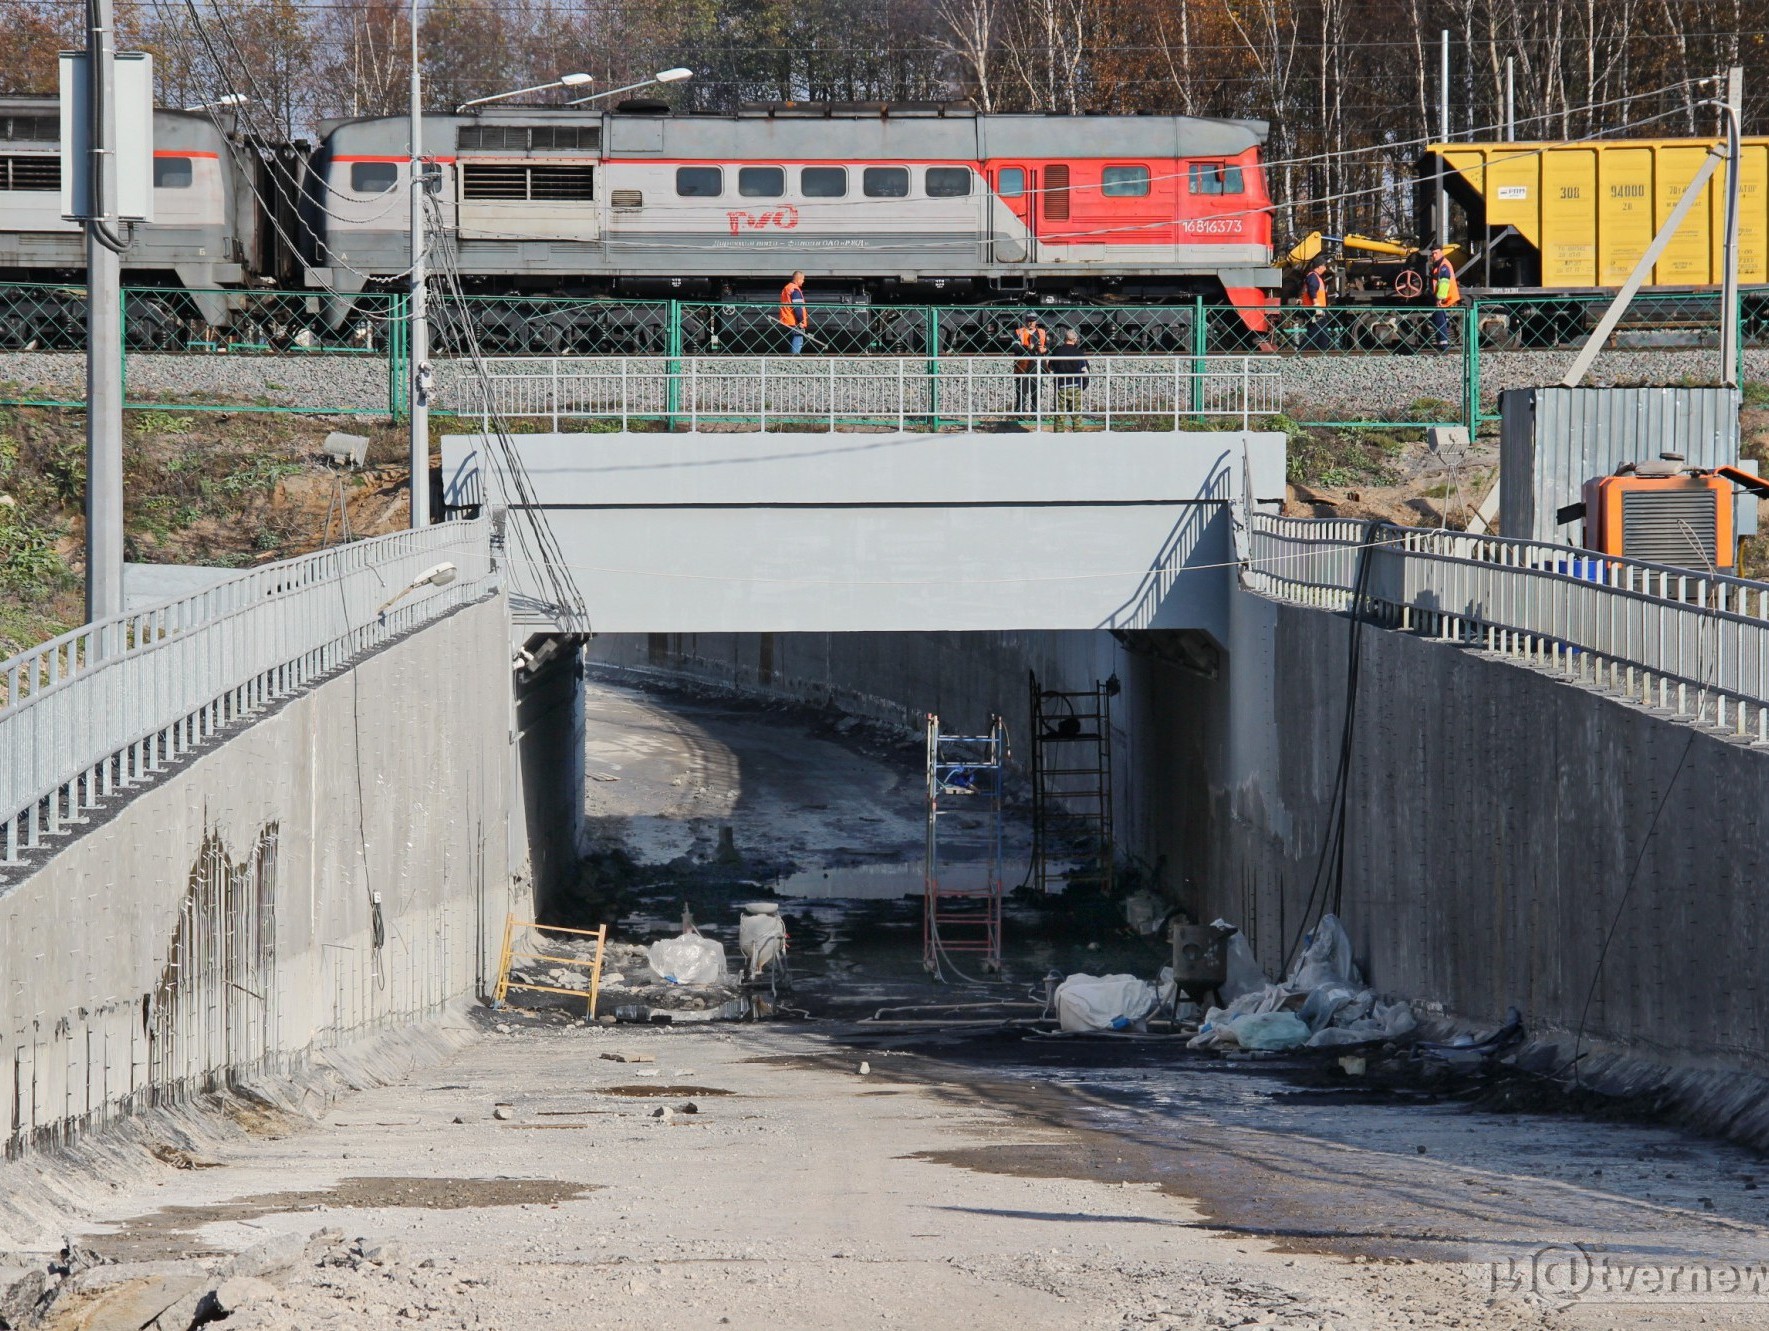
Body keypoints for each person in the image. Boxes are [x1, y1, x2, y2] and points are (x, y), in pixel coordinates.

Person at [1047, 327, 1089, 432]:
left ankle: (1058, 436)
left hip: (1061, 386)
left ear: (1065, 339)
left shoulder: (1057, 352)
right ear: (1074, 340)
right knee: (1077, 416)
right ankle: (1078, 436)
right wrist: (1083, 386)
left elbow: (1050, 367)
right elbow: (1086, 371)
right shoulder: (1079, 353)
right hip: (1075, 386)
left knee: (1059, 416)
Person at [1011, 314, 1049, 419]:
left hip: (1037, 366)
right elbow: (1014, 347)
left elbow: (1048, 346)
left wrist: (1045, 349)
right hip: (1023, 366)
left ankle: (1036, 415)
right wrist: (1027, 347)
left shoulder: (1042, 332)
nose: (1030, 323)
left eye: (1032, 321)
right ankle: (1020, 415)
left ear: (1036, 321)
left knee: (1036, 393)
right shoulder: (1018, 332)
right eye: (1028, 321)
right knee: (1021, 393)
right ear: (1025, 321)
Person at [1429, 246, 1460, 353]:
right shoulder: (1439, 265)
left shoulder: (1443, 266)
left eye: (1436, 253)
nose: (1434, 255)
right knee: (1439, 319)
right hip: (1444, 298)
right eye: (1432, 254)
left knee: (1439, 320)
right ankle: (1442, 345)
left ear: (1441, 253)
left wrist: (1439, 298)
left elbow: (1444, 283)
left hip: (1444, 298)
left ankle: (1443, 346)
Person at [1300, 255, 1331, 352]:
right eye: (1324, 266)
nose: (1325, 268)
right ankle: (1300, 351)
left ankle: (1322, 353)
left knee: (1323, 334)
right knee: (1314, 333)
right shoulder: (1313, 277)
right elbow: (1312, 290)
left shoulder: (1315, 277)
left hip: (1319, 310)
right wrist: (1316, 305)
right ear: (1319, 266)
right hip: (1315, 310)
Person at [779, 270, 808, 354]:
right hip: (795, 320)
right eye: (803, 279)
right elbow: (798, 307)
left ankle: (790, 359)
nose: (803, 281)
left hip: (788, 319)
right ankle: (794, 360)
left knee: (792, 341)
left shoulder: (787, 288)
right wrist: (801, 321)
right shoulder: (795, 290)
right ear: (798, 279)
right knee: (798, 340)